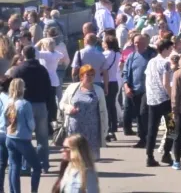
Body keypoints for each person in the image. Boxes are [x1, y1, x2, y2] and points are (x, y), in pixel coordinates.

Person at [10, 45, 53, 173]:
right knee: (42, 138)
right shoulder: (42, 69)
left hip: (24, 105)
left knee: (25, 137)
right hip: (41, 104)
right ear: (35, 54)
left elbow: (14, 87)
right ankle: (43, 164)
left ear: (23, 54)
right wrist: (50, 107)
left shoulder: (19, 70)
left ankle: (27, 165)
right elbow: (49, 89)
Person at [60, 65, 108, 161]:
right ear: (81, 76)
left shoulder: (98, 90)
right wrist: (69, 108)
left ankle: (88, 174)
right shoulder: (72, 88)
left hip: (92, 129)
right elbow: (62, 103)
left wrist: (105, 128)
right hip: (75, 128)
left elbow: (103, 110)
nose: (90, 77)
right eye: (87, 75)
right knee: (75, 155)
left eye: (92, 75)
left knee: (90, 158)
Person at [3, 78, 41, 193]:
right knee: (37, 167)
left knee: (14, 167)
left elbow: (5, 122)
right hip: (23, 139)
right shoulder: (25, 104)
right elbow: (31, 125)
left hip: (10, 137)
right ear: (22, 88)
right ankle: (34, 190)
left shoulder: (8, 103)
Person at [145, 39, 175, 167]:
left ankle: (149, 155)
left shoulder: (151, 61)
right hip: (164, 99)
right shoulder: (165, 63)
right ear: (166, 49)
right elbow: (165, 83)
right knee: (172, 127)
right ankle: (166, 153)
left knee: (152, 128)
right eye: (170, 49)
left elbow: (148, 78)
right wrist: (171, 97)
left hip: (152, 99)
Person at [122, 35, 156, 146]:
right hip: (134, 90)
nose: (137, 45)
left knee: (143, 113)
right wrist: (126, 86)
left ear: (146, 44)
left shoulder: (151, 56)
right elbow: (125, 73)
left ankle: (146, 137)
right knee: (138, 115)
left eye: (140, 43)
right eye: (135, 43)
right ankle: (143, 138)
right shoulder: (131, 56)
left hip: (147, 91)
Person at [101, 35, 121, 142]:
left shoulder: (105, 54)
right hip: (115, 81)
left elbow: (103, 68)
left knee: (106, 107)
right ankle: (113, 127)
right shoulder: (117, 54)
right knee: (112, 105)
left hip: (106, 81)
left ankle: (108, 128)